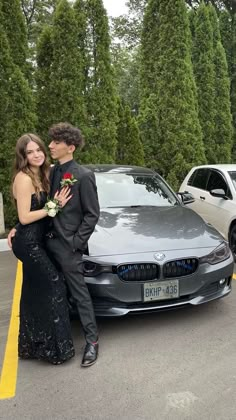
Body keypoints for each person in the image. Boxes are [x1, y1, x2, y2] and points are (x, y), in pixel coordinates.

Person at [9, 123, 100, 368]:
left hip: (68, 247)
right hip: (44, 244)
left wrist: (76, 243)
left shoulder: (83, 176)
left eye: (54, 143)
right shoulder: (52, 172)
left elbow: (92, 214)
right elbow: (39, 206)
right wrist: (19, 226)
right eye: (45, 144)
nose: (49, 147)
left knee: (79, 294)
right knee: (48, 291)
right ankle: (46, 340)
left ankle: (92, 342)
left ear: (70, 147)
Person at [11, 133, 75, 365]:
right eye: (30, 152)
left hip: (37, 240)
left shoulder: (44, 173)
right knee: (55, 284)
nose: (36, 154)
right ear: (23, 156)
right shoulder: (24, 178)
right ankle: (55, 349)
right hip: (28, 243)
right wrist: (54, 206)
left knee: (32, 292)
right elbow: (25, 216)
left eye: (38, 149)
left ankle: (31, 345)